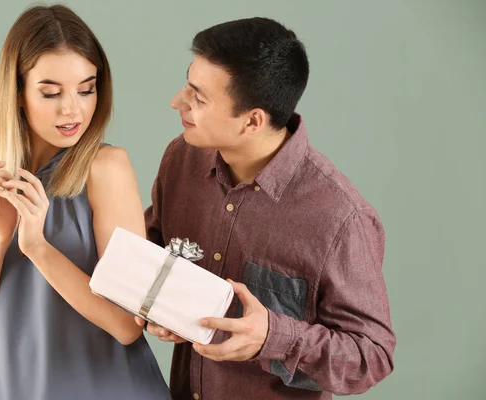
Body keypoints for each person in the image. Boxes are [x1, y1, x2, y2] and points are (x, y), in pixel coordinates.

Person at [139, 17, 396, 400]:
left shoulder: (341, 218)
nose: (178, 102)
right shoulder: (182, 158)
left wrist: (275, 337)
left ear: (253, 121)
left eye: (198, 97)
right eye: (187, 84)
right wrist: (155, 304)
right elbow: (155, 246)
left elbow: (371, 357)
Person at [0, 5, 169, 400]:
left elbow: (128, 324)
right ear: (18, 93)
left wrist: (37, 247)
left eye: (86, 88)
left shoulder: (105, 168)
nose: (72, 109)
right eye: (51, 92)